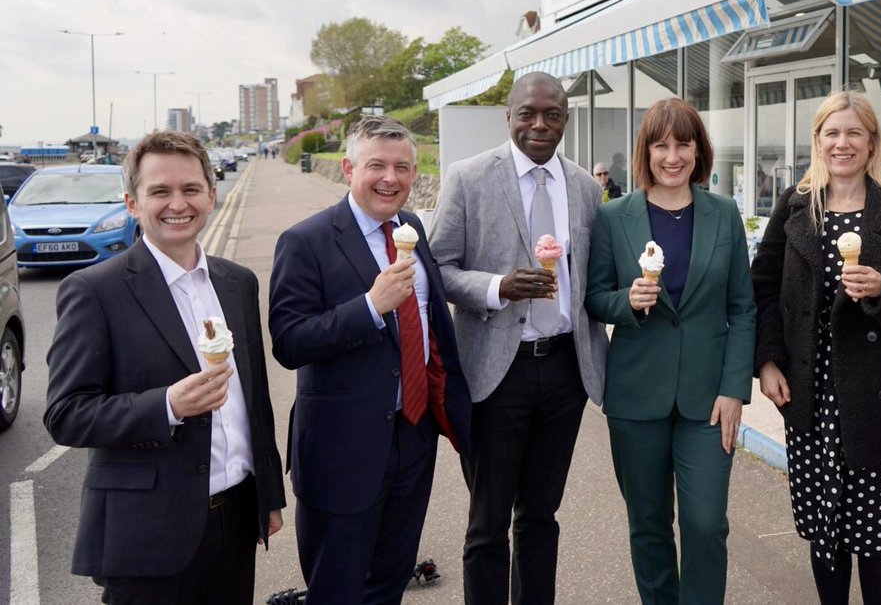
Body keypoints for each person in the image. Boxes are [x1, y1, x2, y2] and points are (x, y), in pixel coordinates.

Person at [44, 130, 285, 605]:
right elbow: (66, 413)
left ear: (212, 196)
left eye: (191, 189)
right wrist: (168, 405)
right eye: (160, 191)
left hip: (235, 517)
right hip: (146, 532)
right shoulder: (95, 291)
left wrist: (267, 495)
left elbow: (254, 401)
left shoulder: (238, 282)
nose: (179, 203)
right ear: (133, 203)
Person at [269, 116, 471, 604]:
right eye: (376, 165)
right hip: (342, 447)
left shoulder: (412, 227)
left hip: (412, 433)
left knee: (388, 581)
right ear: (348, 168)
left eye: (403, 167)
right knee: (336, 588)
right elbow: (289, 342)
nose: (391, 178)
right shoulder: (306, 241)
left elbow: (431, 329)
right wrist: (368, 307)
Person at [752, 90, 881, 605]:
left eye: (854, 132)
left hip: (880, 405)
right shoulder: (794, 206)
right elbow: (763, 287)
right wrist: (767, 361)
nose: (842, 143)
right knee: (826, 538)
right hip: (812, 401)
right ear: (817, 140)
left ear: (872, 141)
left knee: (879, 544)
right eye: (832, 133)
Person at [430, 71, 608, 605]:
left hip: (563, 370)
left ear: (565, 121)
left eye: (551, 114)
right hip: (494, 372)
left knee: (540, 516)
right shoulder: (467, 177)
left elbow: (593, 275)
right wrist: (496, 287)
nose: (538, 124)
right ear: (507, 116)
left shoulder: (583, 186)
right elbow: (436, 268)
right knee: (487, 523)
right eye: (527, 113)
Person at [585, 98, 755, 604]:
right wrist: (627, 301)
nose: (673, 156)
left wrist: (734, 390)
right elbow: (594, 297)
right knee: (649, 524)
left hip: (708, 398)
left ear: (699, 150)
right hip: (636, 396)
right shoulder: (615, 216)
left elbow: (743, 308)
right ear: (646, 151)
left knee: (705, 524)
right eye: (661, 145)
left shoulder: (724, 214)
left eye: (683, 144)